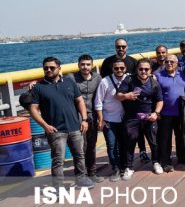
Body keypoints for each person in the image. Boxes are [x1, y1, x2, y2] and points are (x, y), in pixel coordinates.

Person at [29, 57, 95, 188]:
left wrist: (84, 120)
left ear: (59, 68)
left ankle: (81, 180)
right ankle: (58, 187)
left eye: (52, 68)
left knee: (79, 155)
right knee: (58, 160)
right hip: (55, 130)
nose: (48, 70)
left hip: (75, 127)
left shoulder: (70, 82)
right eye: (46, 68)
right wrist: (45, 126)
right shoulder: (38, 87)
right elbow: (33, 109)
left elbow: (80, 101)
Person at [116, 58, 164, 180]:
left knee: (153, 141)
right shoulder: (129, 79)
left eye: (146, 69)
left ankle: (156, 162)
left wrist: (156, 113)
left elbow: (160, 100)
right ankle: (129, 167)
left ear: (150, 70)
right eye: (141, 69)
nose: (143, 71)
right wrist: (127, 95)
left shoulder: (154, 83)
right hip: (132, 117)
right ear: (136, 70)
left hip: (149, 116)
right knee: (130, 141)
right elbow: (118, 95)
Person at [66, 54, 103, 183]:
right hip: (77, 117)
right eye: (82, 64)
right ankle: (81, 174)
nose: (85, 67)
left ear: (92, 66)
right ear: (78, 65)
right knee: (80, 147)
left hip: (92, 116)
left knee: (91, 146)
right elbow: (54, 80)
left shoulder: (97, 78)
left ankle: (92, 172)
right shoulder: (71, 78)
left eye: (88, 64)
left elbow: (104, 93)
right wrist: (34, 83)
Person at [94, 58, 128, 181]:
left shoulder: (129, 79)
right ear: (112, 69)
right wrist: (101, 119)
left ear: (126, 68)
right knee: (112, 145)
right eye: (116, 68)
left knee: (125, 144)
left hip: (125, 119)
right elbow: (98, 102)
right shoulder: (105, 82)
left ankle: (124, 167)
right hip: (109, 119)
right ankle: (116, 168)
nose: (119, 70)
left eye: (122, 68)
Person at [155, 54, 185, 172]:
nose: (169, 63)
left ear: (177, 63)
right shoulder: (158, 76)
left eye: (172, 61)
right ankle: (166, 161)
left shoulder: (182, 74)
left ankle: (182, 157)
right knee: (165, 138)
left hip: (180, 112)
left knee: (181, 136)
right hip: (165, 113)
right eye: (167, 61)